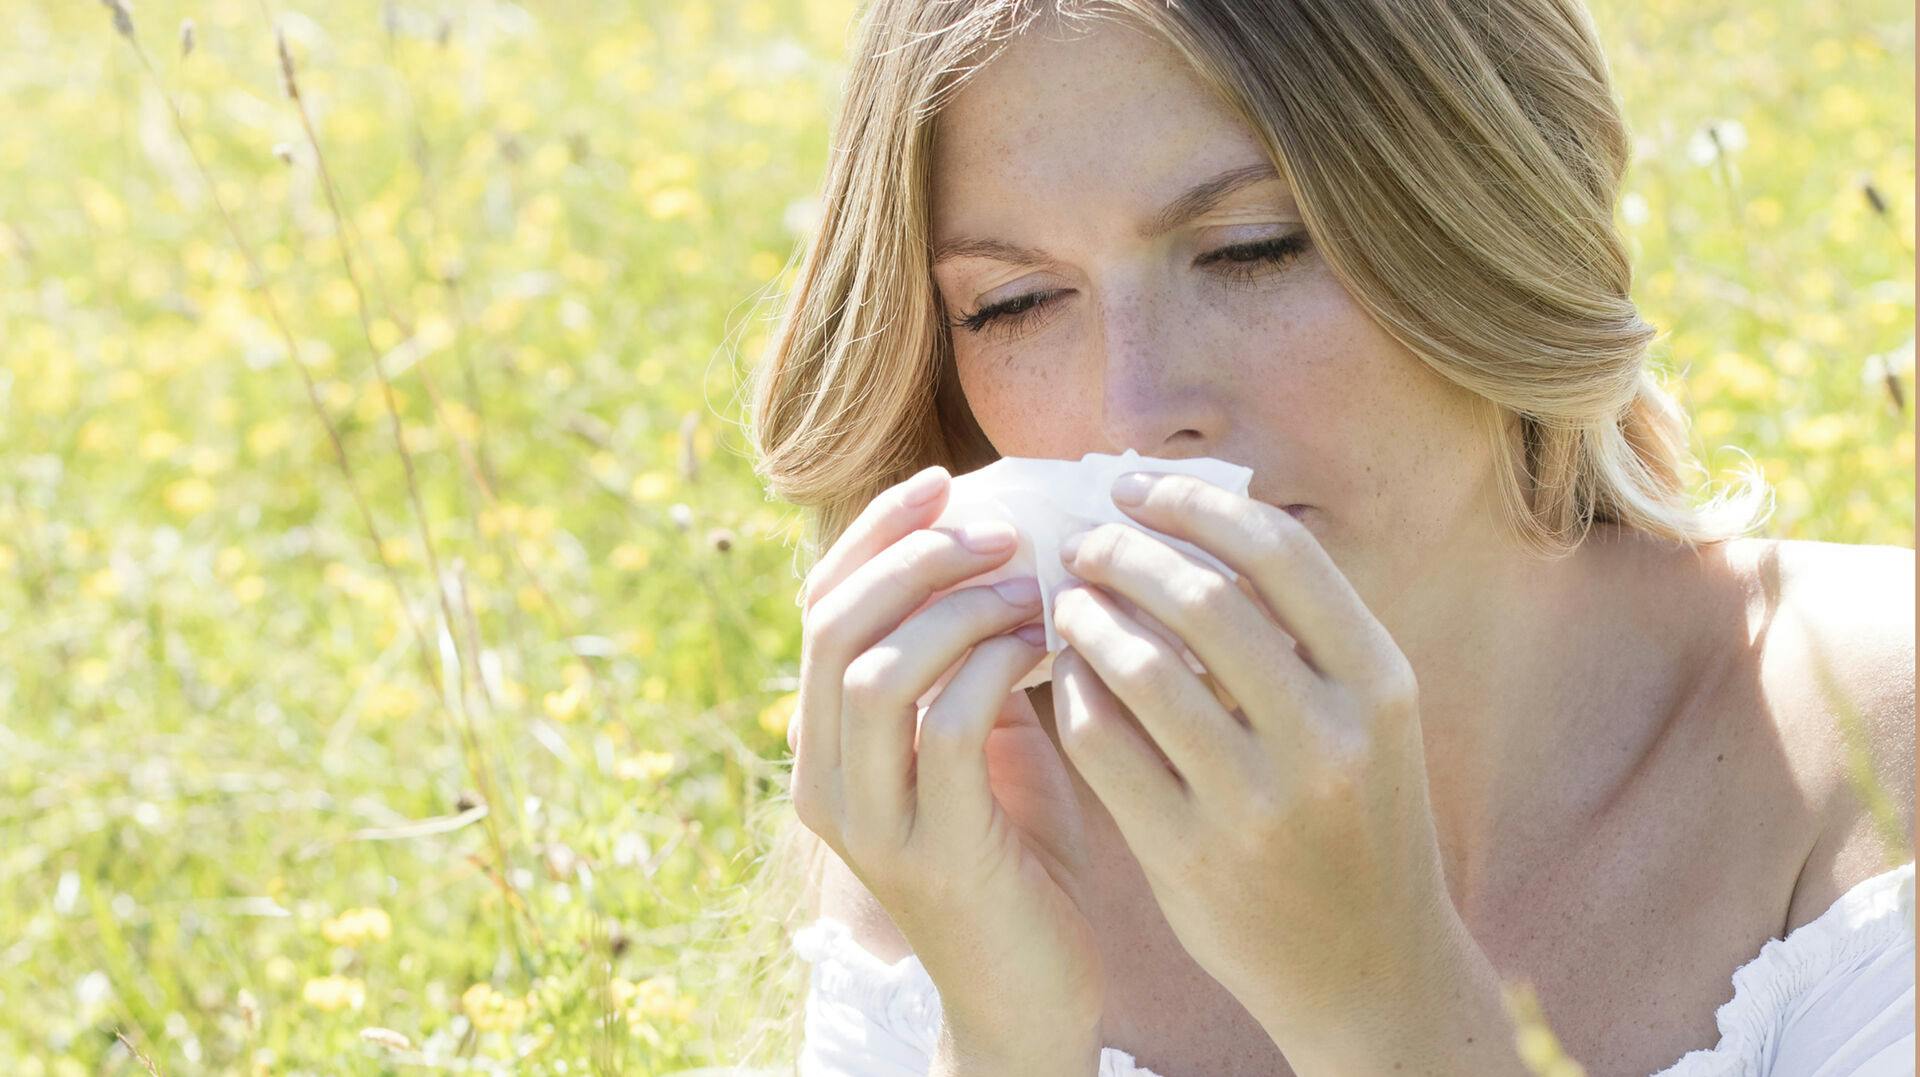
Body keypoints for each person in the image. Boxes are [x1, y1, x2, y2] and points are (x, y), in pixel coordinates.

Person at [741, 1, 1917, 1074]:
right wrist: (1004, 1035)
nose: (1135, 413)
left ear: (1498, 214)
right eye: (1013, 303)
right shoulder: (961, 808)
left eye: (1254, 246)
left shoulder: (1866, 734)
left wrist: (1382, 1005)